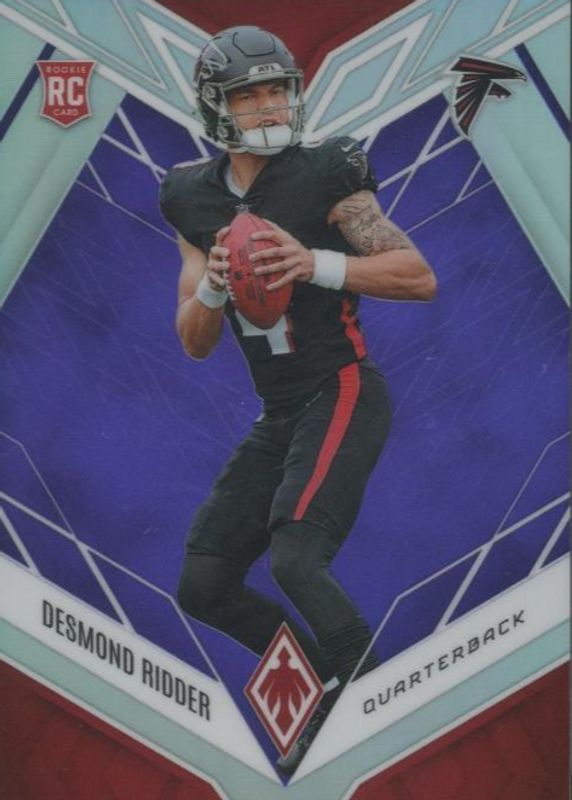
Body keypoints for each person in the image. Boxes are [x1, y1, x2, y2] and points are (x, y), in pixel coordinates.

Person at [160, 25, 436, 773]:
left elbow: (417, 276)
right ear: (216, 106)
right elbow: (194, 341)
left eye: (277, 89)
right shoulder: (188, 193)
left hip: (341, 385)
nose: (268, 106)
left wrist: (315, 262)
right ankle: (322, 699)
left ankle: (376, 713)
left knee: (297, 559)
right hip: (279, 412)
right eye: (248, 95)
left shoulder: (326, 171)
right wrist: (213, 287)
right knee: (204, 584)